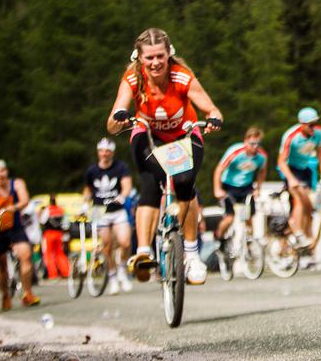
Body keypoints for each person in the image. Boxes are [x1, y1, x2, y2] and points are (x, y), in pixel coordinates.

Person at [107, 27, 222, 285]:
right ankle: (144, 253)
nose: (155, 62)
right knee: (149, 185)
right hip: (149, 136)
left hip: (184, 135)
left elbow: (212, 108)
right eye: (149, 57)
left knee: (184, 183)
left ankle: (191, 254)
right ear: (139, 57)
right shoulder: (133, 80)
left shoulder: (181, 77)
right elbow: (112, 122)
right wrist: (120, 119)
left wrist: (213, 119)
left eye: (160, 56)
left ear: (168, 54)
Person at [0, 160, 40, 309]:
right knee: (1, 264)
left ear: (6, 171)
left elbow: (25, 199)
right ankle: (5, 295)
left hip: (16, 227)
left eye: (2, 171)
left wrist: (14, 207)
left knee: (26, 256)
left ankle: (27, 293)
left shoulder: (17, 184)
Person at [83, 137, 133, 294]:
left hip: (116, 209)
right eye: (102, 151)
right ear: (98, 152)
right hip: (99, 209)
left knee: (125, 242)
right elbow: (88, 190)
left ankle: (122, 270)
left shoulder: (120, 167)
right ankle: (112, 277)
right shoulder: (92, 171)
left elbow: (126, 186)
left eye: (107, 151)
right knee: (106, 245)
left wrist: (122, 196)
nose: (104, 154)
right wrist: (85, 203)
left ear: (112, 153)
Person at [277, 107, 321, 247]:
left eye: (315, 123)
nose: (314, 127)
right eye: (310, 125)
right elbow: (281, 161)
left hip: (304, 168)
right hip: (290, 169)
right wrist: (290, 179)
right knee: (299, 198)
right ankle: (297, 231)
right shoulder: (291, 137)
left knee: (309, 206)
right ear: (302, 124)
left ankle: (302, 234)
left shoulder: (318, 133)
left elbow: (320, 151)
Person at [213, 127, 267, 243]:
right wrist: (217, 189)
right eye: (252, 144)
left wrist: (258, 188)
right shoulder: (235, 152)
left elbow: (262, 172)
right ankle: (219, 238)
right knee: (229, 218)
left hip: (246, 187)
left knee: (248, 217)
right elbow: (219, 170)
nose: (255, 147)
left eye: (258, 144)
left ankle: (249, 244)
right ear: (245, 141)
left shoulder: (261, 156)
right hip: (229, 186)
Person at [38, 194, 69, 280]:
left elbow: (42, 221)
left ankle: (53, 274)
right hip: (59, 234)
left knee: (48, 254)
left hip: (49, 234)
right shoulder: (61, 210)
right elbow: (66, 224)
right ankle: (66, 272)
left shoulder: (47, 210)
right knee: (60, 253)